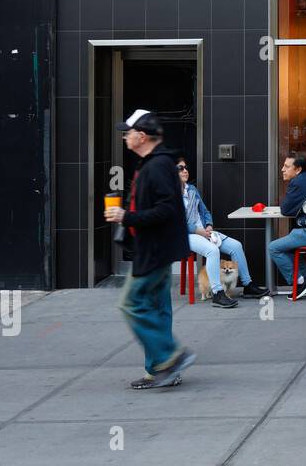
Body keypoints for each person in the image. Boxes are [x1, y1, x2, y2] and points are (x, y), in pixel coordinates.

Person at [104, 110, 196, 389]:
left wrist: (125, 217)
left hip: (154, 251)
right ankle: (161, 369)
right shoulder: (155, 163)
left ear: (141, 136)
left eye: (128, 132)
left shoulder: (156, 166)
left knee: (130, 304)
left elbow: (166, 210)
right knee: (155, 307)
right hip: (157, 249)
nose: (125, 137)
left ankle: (170, 357)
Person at [177, 157, 269, 307]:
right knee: (213, 251)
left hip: (204, 232)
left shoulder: (191, 189)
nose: (185, 170)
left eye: (186, 167)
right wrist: (198, 230)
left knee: (236, 246)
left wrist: (208, 225)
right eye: (180, 168)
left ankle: (248, 286)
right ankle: (217, 293)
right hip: (186, 235)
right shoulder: (170, 194)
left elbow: (205, 211)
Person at [268, 151, 306, 300]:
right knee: (286, 244)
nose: (282, 169)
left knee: (273, 247)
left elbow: (285, 209)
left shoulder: (298, 183)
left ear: (298, 170)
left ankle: (299, 283)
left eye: (286, 166)